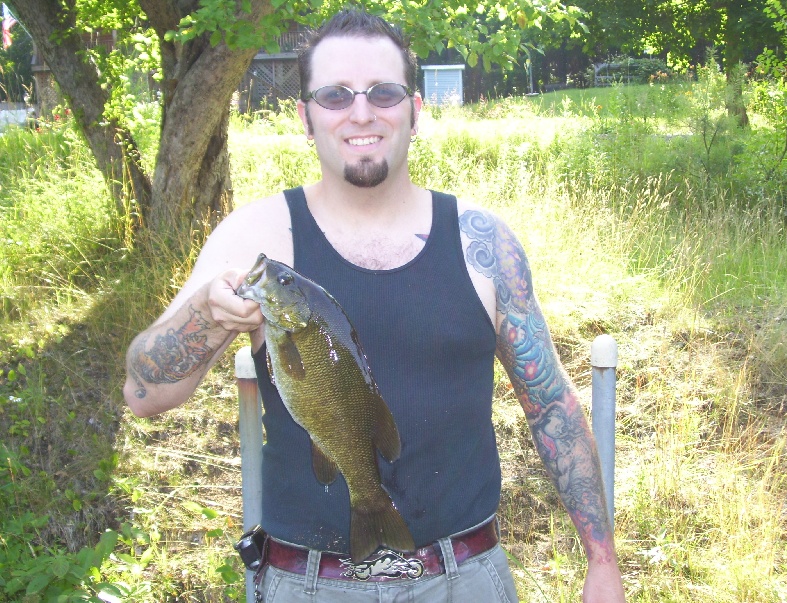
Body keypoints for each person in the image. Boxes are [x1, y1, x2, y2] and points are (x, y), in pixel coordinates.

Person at [123, 9, 625, 602]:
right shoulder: (254, 238)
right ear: (305, 117)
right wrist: (204, 316)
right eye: (334, 96)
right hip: (304, 584)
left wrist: (601, 560)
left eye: (383, 92)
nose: (361, 112)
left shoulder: (482, 244)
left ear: (416, 111)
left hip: (465, 580)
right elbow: (143, 394)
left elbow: (552, 408)